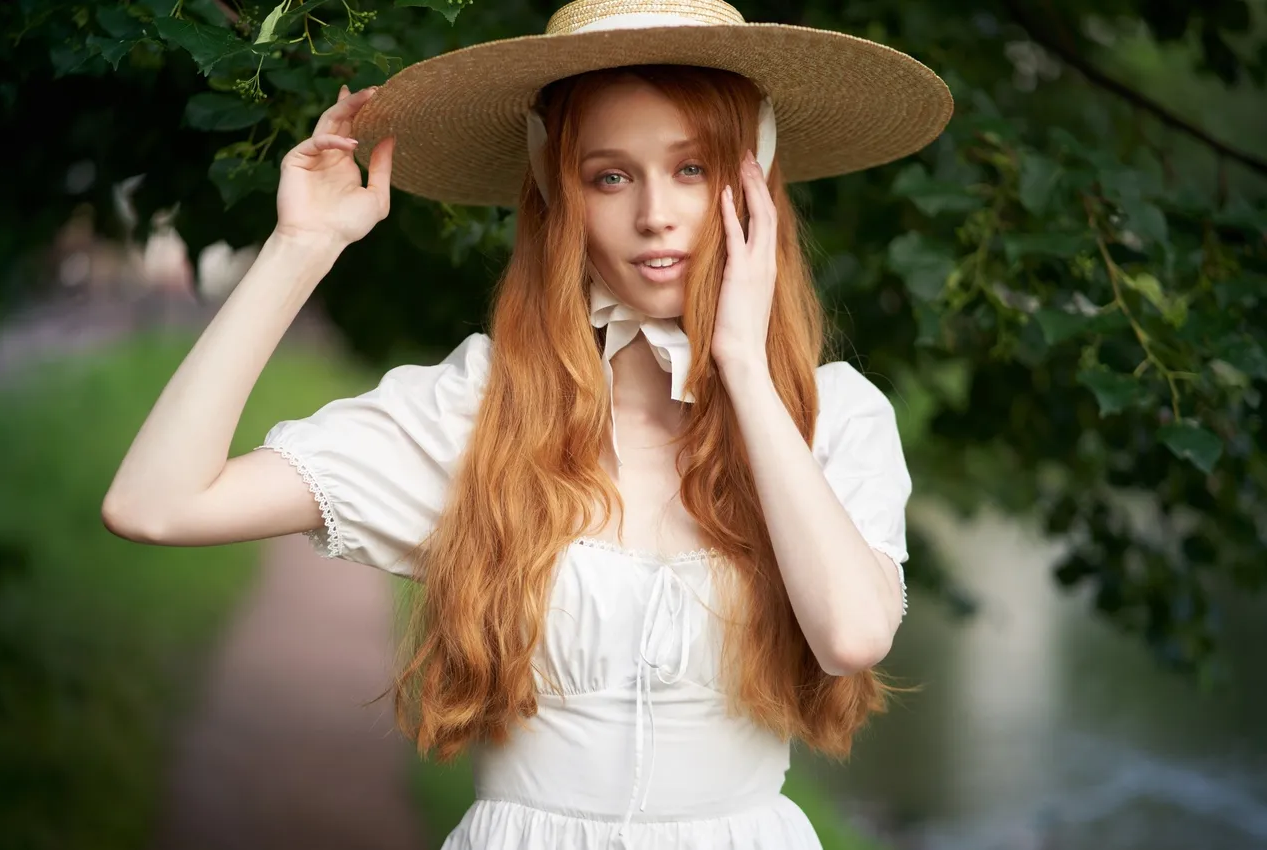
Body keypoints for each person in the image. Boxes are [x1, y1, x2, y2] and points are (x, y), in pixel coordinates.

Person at [102, 1, 952, 847]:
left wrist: (743, 368)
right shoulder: (481, 409)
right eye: (610, 176)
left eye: (692, 169)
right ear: (559, 195)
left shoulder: (832, 414)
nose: (655, 213)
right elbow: (155, 505)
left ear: (753, 188)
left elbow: (851, 637)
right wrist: (301, 245)